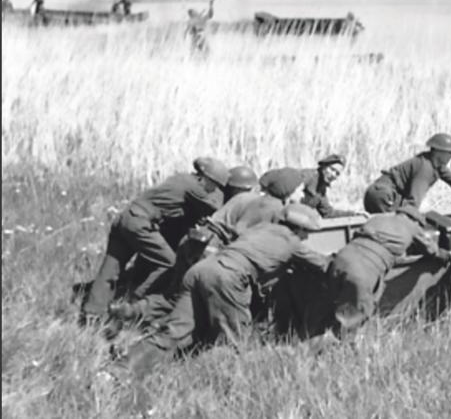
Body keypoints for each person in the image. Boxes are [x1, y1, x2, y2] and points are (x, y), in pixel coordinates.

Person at [127, 204, 329, 377]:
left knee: (176, 330)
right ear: (300, 229)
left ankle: (123, 367)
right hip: (227, 278)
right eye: (307, 232)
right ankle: (214, 378)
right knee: (233, 340)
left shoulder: (261, 228)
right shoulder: (293, 243)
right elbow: (323, 265)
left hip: (200, 270)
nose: (307, 236)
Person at [108, 168, 312, 326]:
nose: (301, 193)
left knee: (176, 294)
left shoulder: (245, 197)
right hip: (211, 250)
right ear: (287, 190)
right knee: (194, 302)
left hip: (194, 241)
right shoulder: (274, 209)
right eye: (298, 189)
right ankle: (161, 330)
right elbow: (246, 238)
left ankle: (131, 311)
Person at [79, 157, 229, 323]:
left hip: (126, 218)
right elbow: (216, 207)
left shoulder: (180, 179)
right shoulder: (193, 186)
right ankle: (133, 303)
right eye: (213, 185)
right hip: (140, 222)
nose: (212, 189)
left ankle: (91, 315)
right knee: (168, 263)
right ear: (203, 178)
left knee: (110, 270)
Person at [325, 206, 451, 338]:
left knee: (333, 307)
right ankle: (347, 349)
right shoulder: (411, 227)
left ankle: (328, 341)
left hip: (340, 259)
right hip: (363, 270)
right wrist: (443, 255)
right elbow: (431, 250)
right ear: (415, 221)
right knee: (359, 315)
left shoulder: (377, 219)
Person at [363, 133, 451, 213]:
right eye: (449, 152)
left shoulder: (435, 165)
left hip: (381, 194)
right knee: (395, 230)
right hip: (384, 196)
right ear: (439, 152)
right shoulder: (425, 169)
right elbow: (413, 202)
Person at [301, 153, 366, 218]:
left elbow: (329, 213)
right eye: (332, 169)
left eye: (337, 173)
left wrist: (354, 214)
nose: (333, 175)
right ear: (324, 166)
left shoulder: (321, 190)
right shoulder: (307, 176)